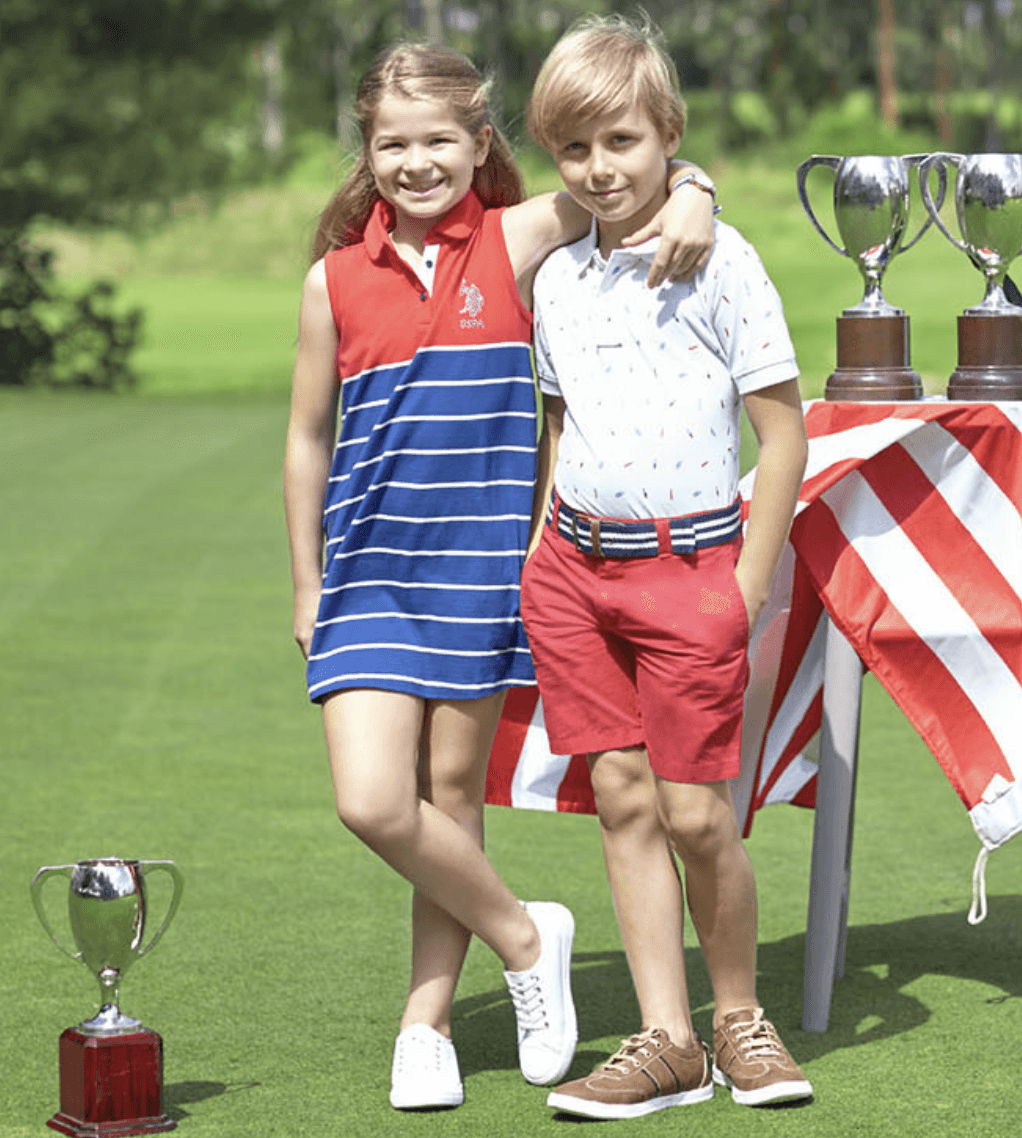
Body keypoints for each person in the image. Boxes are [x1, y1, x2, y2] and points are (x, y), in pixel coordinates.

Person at [281, 42, 720, 1111]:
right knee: (371, 802)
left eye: (440, 140)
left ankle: (423, 1028)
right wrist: (305, 582)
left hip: (480, 576)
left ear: (480, 146)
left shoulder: (519, 237)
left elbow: (627, 180)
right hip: (367, 579)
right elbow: (305, 439)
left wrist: (699, 191)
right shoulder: (330, 280)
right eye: (394, 144)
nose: (417, 162)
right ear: (367, 151)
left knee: (447, 800)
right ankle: (529, 934)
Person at [516, 15, 811, 1120]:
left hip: (695, 573)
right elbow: (559, 428)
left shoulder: (721, 259)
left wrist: (747, 586)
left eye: (624, 143)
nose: (599, 169)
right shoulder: (555, 278)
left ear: (669, 137)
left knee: (699, 815)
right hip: (572, 575)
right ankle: (668, 1037)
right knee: (624, 802)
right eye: (575, 149)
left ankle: (737, 1015)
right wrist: (542, 547)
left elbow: (782, 438)